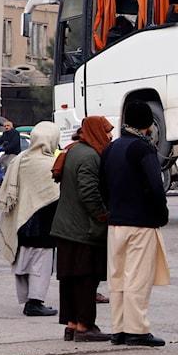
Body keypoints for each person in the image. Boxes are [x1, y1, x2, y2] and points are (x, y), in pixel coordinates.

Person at [100, 101, 170, 347]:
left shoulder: (111, 148)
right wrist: (161, 215)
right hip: (140, 222)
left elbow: (103, 187)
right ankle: (137, 330)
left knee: (117, 277)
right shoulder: (143, 149)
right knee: (137, 277)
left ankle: (118, 328)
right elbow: (155, 186)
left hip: (116, 222)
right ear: (148, 124)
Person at [51, 116, 114, 342]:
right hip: (82, 229)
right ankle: (85, 325)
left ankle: (71, 324)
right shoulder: (89, 156)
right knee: (86, 278)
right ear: (97, 131)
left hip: (67, 227)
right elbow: (88, 191)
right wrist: (102, 216)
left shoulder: (74, 150)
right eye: (107, 131)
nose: (110, 136)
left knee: (70, 278)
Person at [0, 121, 61, 318]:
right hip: (43, 222)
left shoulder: (20, 160)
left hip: (21, 220)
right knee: (40, 263)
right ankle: (35, 302)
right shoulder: (51, 164)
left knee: (22, 260)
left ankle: (27, 299)